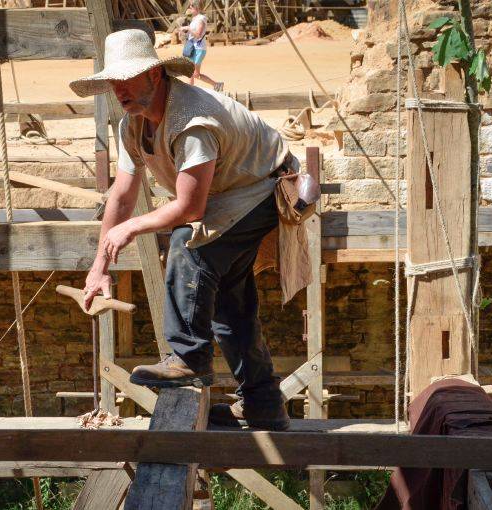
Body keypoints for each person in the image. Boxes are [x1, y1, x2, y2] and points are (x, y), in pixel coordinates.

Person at [69, 29, 319, 431]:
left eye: (126, 79)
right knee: (228, 303)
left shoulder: (192, 120)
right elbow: (120, 196)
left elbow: (190, 208)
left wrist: (132, 228)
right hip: (229, 194)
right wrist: (99, 268)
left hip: (263, 189)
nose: (118, 89)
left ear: (155, 75)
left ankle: (187, 358)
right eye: (112, 82)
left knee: (189, 246)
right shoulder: (132, 124)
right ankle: (263, 404)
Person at [179, 0, 223, 92]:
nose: (189, 8)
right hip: (193, 48)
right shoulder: (195, 19)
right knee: (191, 72)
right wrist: (184, 33)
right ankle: (190, 90)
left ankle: (216, 84)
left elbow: (198, 34)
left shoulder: (201, 19)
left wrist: (188, 28)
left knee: (195, 73)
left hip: (199, 49)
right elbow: (192, 35)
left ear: (196, 8)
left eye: (191, 7)